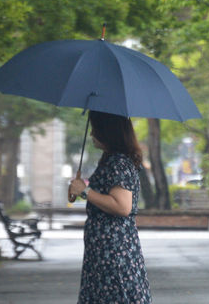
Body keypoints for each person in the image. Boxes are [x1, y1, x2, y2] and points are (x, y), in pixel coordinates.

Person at [68, 110, 152, 304]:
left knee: (116, 297)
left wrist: (86, 191)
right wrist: (79, 188)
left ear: (108, 131)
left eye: (95, 129)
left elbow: (122, 206)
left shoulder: (118, 163)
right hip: (106, 249)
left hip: (114, 250)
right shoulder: (111, 160)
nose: (91, 134)